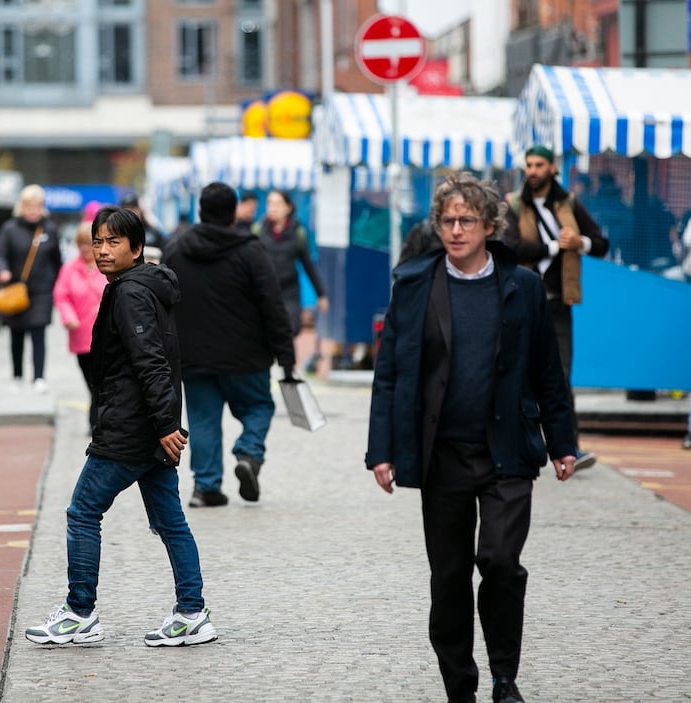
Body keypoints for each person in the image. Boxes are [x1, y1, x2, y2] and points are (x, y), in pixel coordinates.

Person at [366, 173, 577, 703]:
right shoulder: (414, 284)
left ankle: (505, 679)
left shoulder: (522, 286)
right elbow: (389, 371)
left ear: (489, 226)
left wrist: (562, 441)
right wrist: (382, 450)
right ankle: (459, 683)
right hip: (443, 456)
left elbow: (547, 371)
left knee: (501, 562)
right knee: (450, 576)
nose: (455, 230)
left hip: (507, 452)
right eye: (447, 220)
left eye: (466, 221)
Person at [25, 205, 216, 648]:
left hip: (131, 427)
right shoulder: (145, 285)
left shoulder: (129, 292)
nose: (103, 250)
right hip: (148, 424)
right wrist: (164, 423)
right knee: (170, 522)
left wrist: (166, 424)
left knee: (82, 512)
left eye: (113, 242)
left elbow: (150, 361)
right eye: (98, 242)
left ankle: (79, 613)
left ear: (136, 247)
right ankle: (191, 612)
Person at [162, 182, 296, 507]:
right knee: (259, 407)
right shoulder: (251, 250)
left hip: (193, 357)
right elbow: (272, 304)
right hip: (246, 355)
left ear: (200, 210)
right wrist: (286, 355)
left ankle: (206, 487)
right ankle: (248, 454)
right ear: (234, 212)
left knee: (203, 419)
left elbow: (163, 303)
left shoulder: (177, 250)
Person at [502, 145, 609, 471]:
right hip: (521, 303)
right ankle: (514, 442)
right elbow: (511, 246)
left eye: (539, 165)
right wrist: (553, 245)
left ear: (552, 169)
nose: (532, 170)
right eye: (529, 165)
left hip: (559, 304)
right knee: (515, 372)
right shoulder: (513, 205)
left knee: (559, 376)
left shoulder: (569, 203)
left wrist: (580, 244)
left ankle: (568, 447)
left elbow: (600, 244)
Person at [0, 184, 62, 393]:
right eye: (29, 206)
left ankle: (39, 377)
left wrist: (59, 287)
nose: (33, 210)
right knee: (17, 334)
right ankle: (17, 375)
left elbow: (57, 260)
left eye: (37, 206)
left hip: (42, 290)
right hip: (16, 289)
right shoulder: (10, 228)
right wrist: (2, 271)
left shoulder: (50, 229)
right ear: (22, 206)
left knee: (39, 332)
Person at [252, 189, 329, 337]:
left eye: (277, 204)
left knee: (291, 328)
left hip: (289, 291)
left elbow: (308, 265)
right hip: (264, 290)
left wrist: (321, 294)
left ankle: (284, 359)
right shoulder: (258, 231)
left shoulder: (297, 232)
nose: (272, 208)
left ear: (288, 207)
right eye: (269, 203)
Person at [52, 223, 107, 431]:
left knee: (102, 382)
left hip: (106, 335)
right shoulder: (69, 269)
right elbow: (61, 295)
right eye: (81, 244)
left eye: (89, 243)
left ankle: (96, 422)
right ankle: (98, 422)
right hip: (82, 335)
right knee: (92, 383)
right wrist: (68, 317)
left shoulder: (106, 265)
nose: (85, 248)